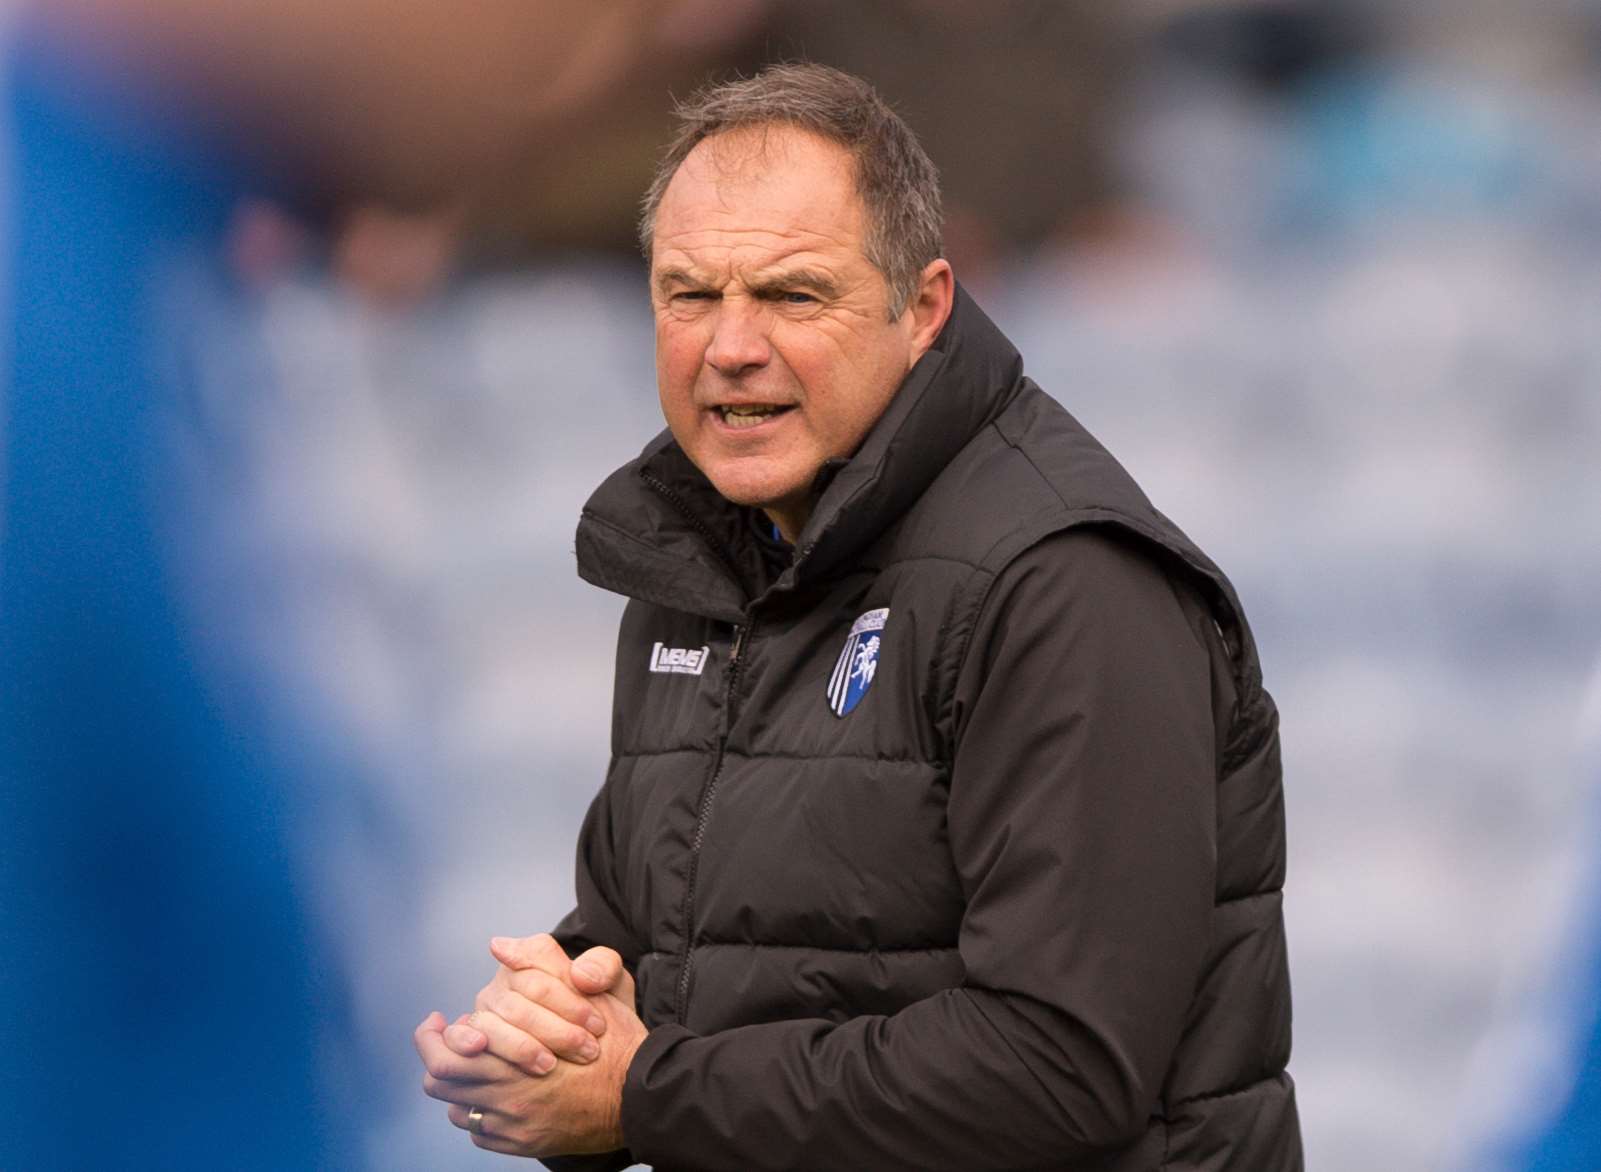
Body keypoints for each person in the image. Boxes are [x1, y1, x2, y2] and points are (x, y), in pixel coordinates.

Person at [414, 63, 1303, 1170]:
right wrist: (554, 1014)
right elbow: (679, 945)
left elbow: (1059, 1062)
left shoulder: (1064, 579)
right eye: (688, 293)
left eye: (791, 294)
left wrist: (640, 1093)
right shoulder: (693, 552)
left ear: (922, 305)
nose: (729, 345)